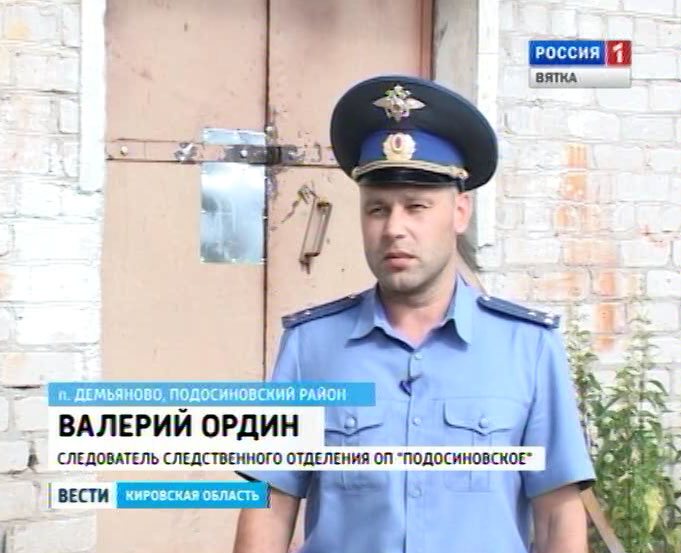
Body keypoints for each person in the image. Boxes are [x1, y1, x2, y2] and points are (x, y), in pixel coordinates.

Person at [232, 75, 595, 553]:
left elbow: (557, 519)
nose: (394, 229)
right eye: (377, 209)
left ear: (460, 212)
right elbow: (270, 505)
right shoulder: (310, 347)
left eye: (416, 207)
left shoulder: (526, 348)